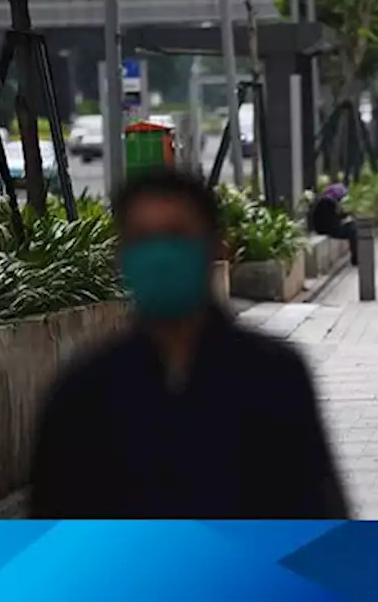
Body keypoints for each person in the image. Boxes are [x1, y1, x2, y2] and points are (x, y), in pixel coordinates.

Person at [28, 168, 351, 519]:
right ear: (121, 256)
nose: (161, 254)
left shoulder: (274, 376)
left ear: (215, 246)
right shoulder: (83, 394)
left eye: (176, 235)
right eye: (143, 239)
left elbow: (320, 517)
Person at [309, 182, 359, 266]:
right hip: (329, 229)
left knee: (352, 227)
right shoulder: (330, 203)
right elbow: (335, 219)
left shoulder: (323, 201)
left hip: (321, 228)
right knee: (353, 231)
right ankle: (355, 257)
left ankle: (355, 256)